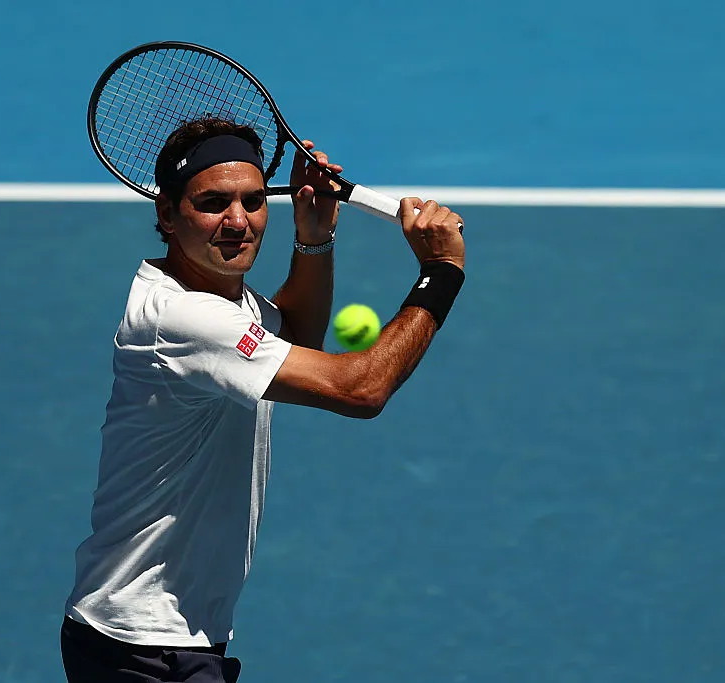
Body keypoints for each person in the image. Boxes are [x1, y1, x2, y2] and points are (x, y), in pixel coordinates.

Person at [61, 116, 465, 682]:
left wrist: (314, 234)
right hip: (148, 649)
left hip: (153, 640)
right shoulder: (186, 318)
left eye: (253, 201)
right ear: (166, 214)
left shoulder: (217, 301)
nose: (237, 221)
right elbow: (360, 388)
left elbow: (295, 337)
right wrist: (440, 272)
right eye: (213, 203)